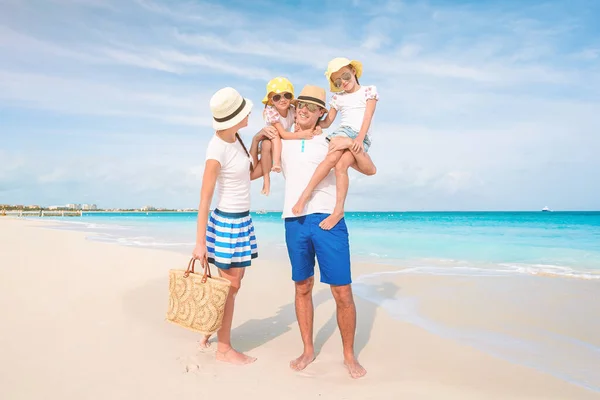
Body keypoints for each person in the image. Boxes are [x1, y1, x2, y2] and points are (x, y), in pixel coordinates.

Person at [252, 85, 375, 379]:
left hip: (328, 222)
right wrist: (258, 138)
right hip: (294, 221)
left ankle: (348, 355)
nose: (303, 110)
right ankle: (308, 349)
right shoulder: (283, 138)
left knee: (342, 290)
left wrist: (354, 145)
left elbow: (370, 170)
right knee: (302, 286)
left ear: (323, 112)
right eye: (300, 105)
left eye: (311, 107)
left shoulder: (333, 139)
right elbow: (255, 172)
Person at [192, 87, 265, 365]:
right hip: (226, 223)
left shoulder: (237, 139)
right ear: (234, 117)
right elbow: (204, 198)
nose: (249, 112)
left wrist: (260, 144)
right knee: (230, 286)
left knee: (234, 285)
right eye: (244, 110)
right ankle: (224, 348)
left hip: (243, 220)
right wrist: (200, 242)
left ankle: (210, 329)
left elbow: (249, 176)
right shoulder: (217, 148)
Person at [292, 57, 378, 230]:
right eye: (338, 82)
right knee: (332, 161)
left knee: (342, 166)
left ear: (353, 71)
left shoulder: (369, 91)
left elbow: (367, 116)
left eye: (345, 77)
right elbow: (327, 122)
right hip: (343, 131)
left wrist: (359, 139)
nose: (343, 83)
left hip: (361, 136)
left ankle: (338, 210)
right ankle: (305, 195)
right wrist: (316, 126)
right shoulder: (338, 98)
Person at [259, 77, 320, 196]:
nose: (282, 100)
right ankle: (268, 176)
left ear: (290, 97)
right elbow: (282, 134)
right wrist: (300, 134)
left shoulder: (292, 110)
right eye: (277, 97)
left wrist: (316, 127)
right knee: (272, 139)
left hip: (283, 137)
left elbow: (302, 120)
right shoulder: (271, 112)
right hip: (272, 135)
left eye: (286, 96)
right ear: (271, 101)